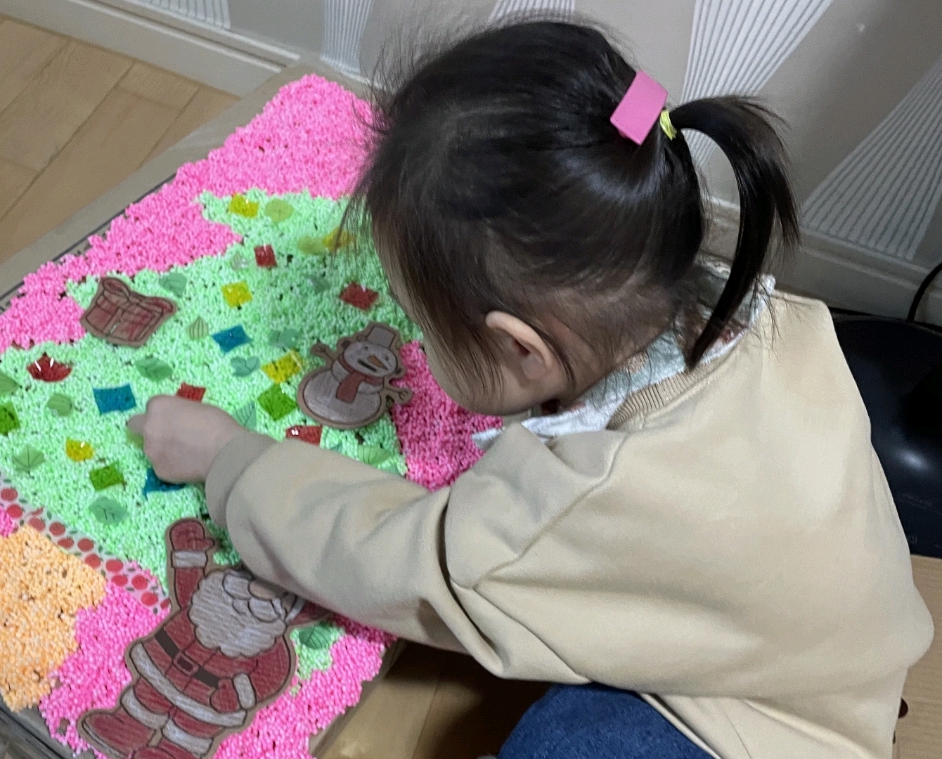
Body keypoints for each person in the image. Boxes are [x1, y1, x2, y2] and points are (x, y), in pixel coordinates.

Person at [127, 19, 933, 759]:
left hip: (773, 728)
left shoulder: (578, 497)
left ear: (522, 349)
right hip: (847, 653)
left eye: (419, 322)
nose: (413, 345)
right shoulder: (773, 316)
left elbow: (399, 560)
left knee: (558, 741)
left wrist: (230, 458)